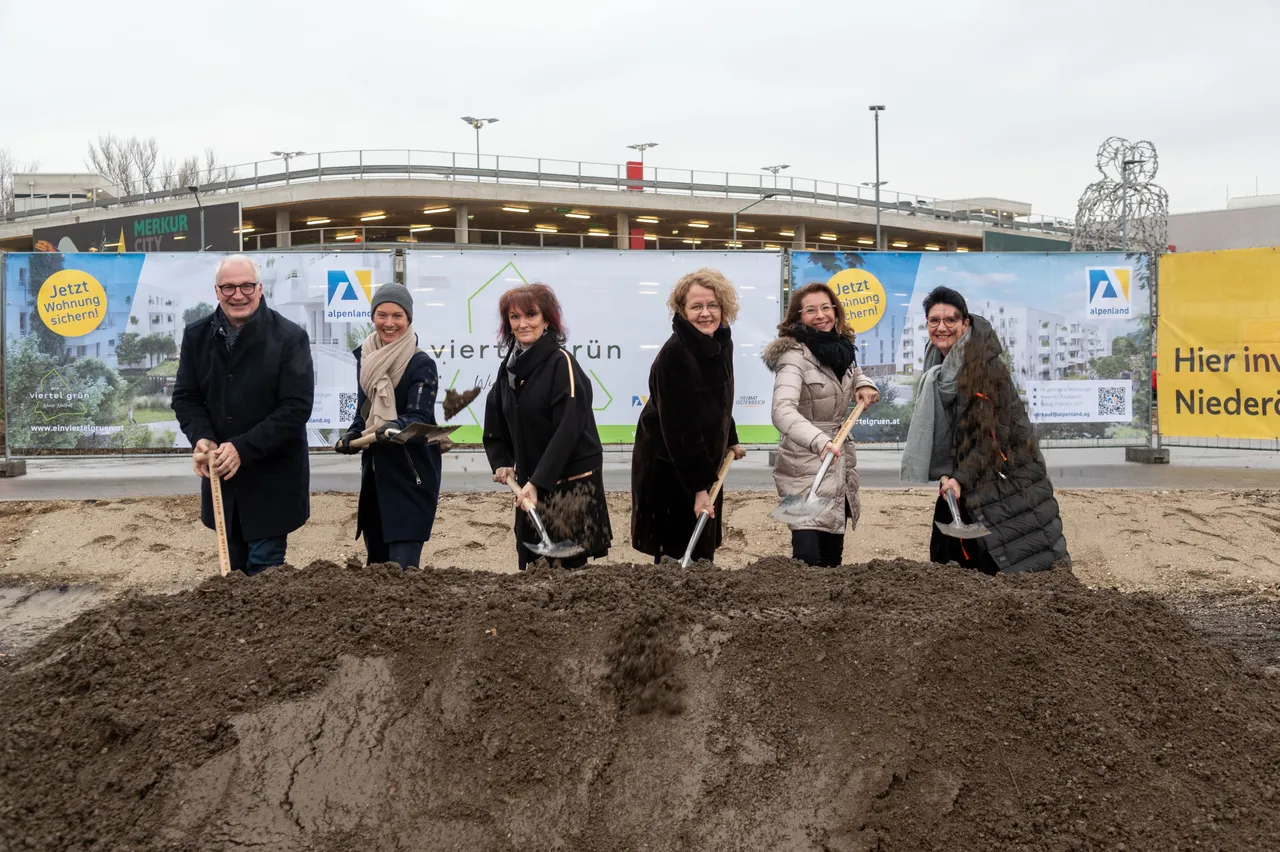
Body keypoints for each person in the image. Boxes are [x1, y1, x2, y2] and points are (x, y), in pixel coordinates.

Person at [901, 285, 1069, 574]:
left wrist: (959, 478)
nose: (942, 327)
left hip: (1007, 479)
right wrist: (949, 471)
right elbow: (952, 429)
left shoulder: (986, 368)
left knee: (1016, 560)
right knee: (951, 559)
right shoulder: (939, 366)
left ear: (965, 323)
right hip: (967, 475)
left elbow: (992, 438)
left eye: (950, 320)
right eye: (934, 320)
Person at [172, 254, 315, 575]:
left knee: (265, 575)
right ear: (216, 291)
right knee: (233, 576)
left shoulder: (289, 338)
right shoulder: (196, 337)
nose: (238, 295)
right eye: (228, 287)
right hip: (223, 485)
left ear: (260, 288)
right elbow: (186, 397)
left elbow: (296, 408)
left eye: (246, 286)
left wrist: (242, 449)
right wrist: (202, 438)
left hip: (273, 484)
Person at [482, 283, 611, 570]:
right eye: (514, 317)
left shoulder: (561, 364)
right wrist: (502, 462)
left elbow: (568, 429)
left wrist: (538, 482)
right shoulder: (509, 370)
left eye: (531, 314)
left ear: (547, 320)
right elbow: (495, 422)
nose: (523, 323)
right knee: (537, 567)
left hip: (570, 484)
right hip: (531, 482)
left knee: (569, 568)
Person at [632, 268, 746, 564]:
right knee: (678, 551)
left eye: (712, 305)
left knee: (701, 550)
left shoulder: (720, 343)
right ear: (682, 311)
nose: (705, 313)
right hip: (671, 467)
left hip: (703, 462)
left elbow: (719, 400)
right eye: (696, 307)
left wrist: (730, 439)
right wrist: (698, 489)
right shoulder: (675, 355)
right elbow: (679, 429)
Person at [764, 282, 880, 567]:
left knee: (831, 552)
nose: (821, 315)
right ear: (798, 317)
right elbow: (782, 411)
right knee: (807, 555)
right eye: (811, 310)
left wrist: (864, 384)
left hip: (837, 463)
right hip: (804, 464)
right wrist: (819, 441)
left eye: (826, 307)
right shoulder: (793, 356)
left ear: (836, 311)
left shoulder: (841, 349)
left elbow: (855, 374)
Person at [334, 284, 443, 569]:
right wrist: (352, 434)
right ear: (373, 317)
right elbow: (364, 413)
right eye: (382, 315)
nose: (389, 323)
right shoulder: (367, 359)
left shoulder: (421, 364)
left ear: (408, 319)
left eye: (397, 316)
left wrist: (392, 427)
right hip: (376, 479)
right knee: (377, 571)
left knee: (403, 573)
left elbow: (419, 417)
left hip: (410, 476)